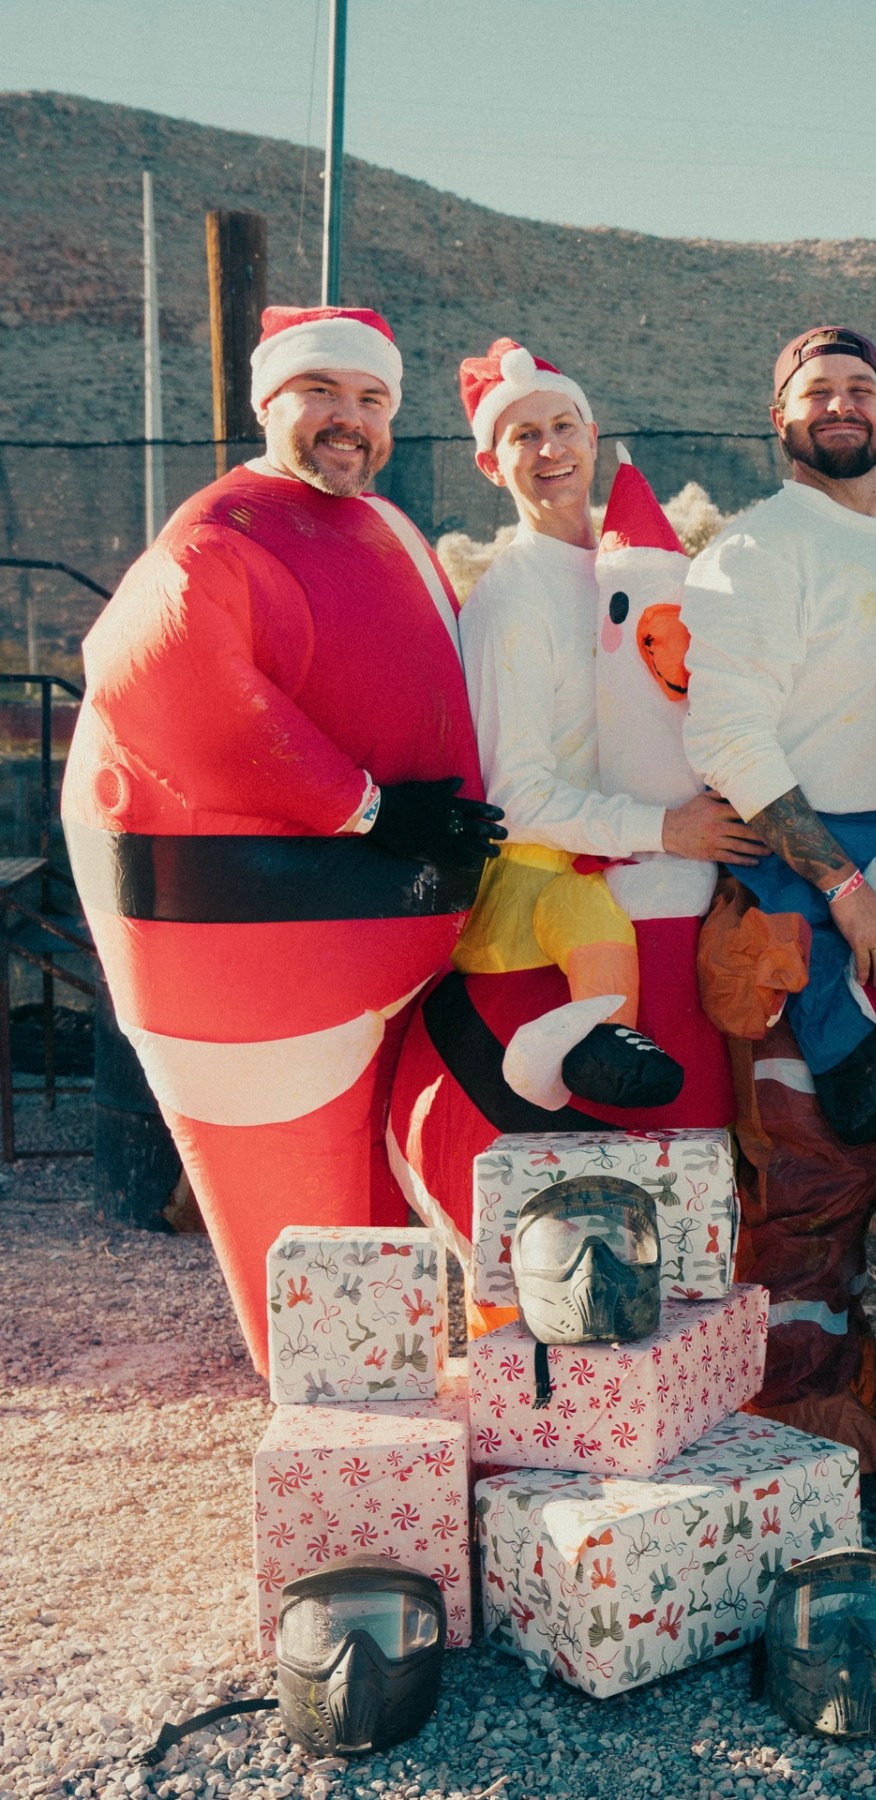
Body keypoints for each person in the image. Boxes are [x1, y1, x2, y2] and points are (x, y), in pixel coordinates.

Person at [64, 305, 504, 1370]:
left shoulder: (391, 529)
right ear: (270, 403)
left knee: (385, 1225)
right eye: (322, 395)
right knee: (308, 1254)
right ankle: (339, 1457)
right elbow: (158, 674)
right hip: (259, 976)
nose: (348, 421)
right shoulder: (218, 535)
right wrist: (363, 807)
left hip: (404, 944)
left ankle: (379, 1448)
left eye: (371, 400)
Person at [679, 326, 876, 1469]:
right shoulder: (757, 549)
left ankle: (837, 1382)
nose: (841, 405)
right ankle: (785, 1429)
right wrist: (840, 887)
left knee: (863, 1166)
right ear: (778, 418)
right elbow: (725, 729)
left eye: (860, 389)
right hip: (808, 910)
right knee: (803, 1172)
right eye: (816, 391)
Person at [451, 339, 764, 1109]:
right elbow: (515, 799)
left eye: (564, 426)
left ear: (593, 437)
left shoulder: (640, 566)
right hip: (575, 911)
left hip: (676, 882)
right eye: (524, 436)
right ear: (492, 464)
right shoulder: (511, 602)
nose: (551, 448)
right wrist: (665, 829)